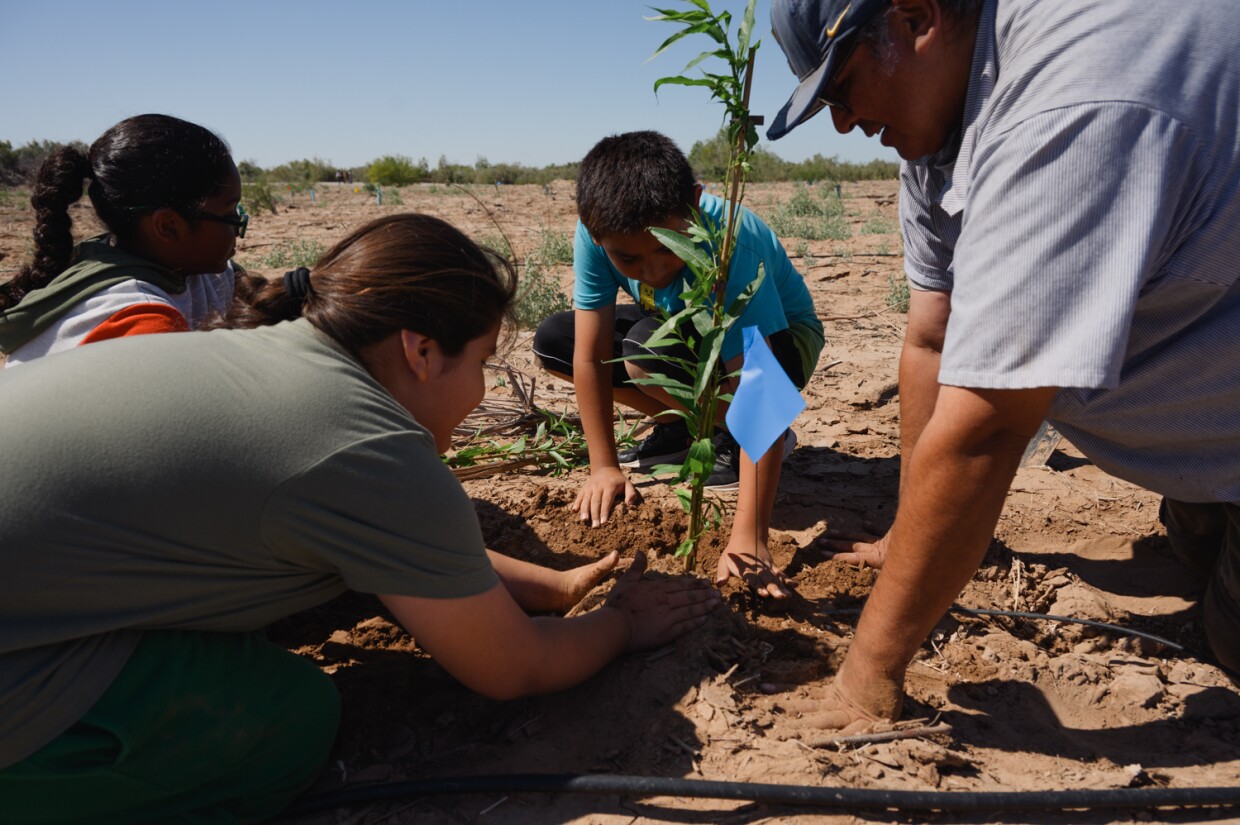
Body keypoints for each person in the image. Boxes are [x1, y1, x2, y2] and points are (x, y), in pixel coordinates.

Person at [0, 213, 722, 823]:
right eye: (481, 361)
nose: (478, 387)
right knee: (290, 718)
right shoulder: (364, 442)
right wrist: (622, 622)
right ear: (421, 349)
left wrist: (552, 588)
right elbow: (516, 666)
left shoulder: (275, 356)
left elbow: (381, 542)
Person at [766, 0, 1240, 727]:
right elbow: (933, 336)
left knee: (1227, 636)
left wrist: (865, 678)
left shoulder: (1068, 103)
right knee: (1192, 547)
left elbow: (986, 423)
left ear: (915, 17)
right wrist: (905, 535)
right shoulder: (939, 128)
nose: (842, 121)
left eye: (841, 87)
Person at [532, 131, 825, 598]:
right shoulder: (598, 231)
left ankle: (738, 436)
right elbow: (587, 354)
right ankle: (688, 425)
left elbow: (762, 381)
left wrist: (749, 538)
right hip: (680, 325)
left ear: (694, 203)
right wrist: (603, 466)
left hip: (778, 340)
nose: (652, 270)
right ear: (592, 229)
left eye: (669, 248)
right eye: (628, 258)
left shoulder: (731, 244)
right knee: (556, 342)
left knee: (647, 351)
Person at [0, 114, 244, 367]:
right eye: (229, 214)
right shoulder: (139, 323)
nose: (239, 227)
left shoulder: (190, 269)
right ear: (168, 227)